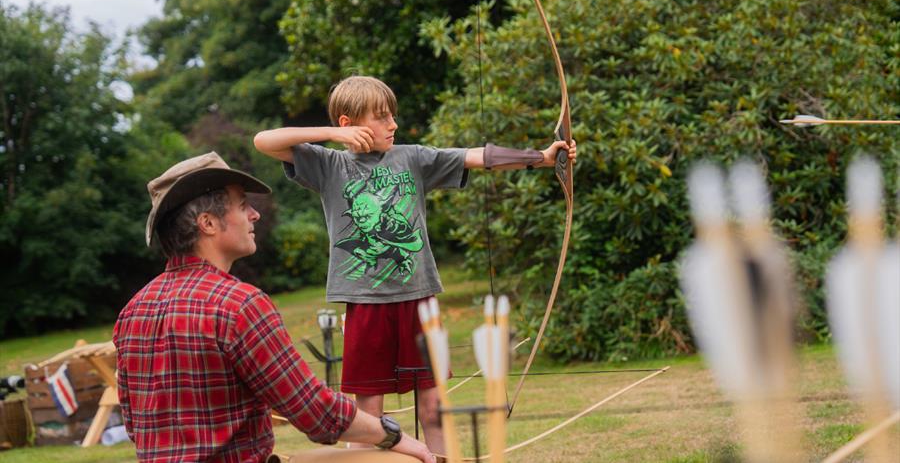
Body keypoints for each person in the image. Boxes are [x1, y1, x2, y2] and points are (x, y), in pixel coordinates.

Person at [253, 76, 577, 453]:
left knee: (434, 404)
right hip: (365, 302)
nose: (393, 124)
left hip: (420, 298)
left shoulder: (413, 157)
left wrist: (540, 158)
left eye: (393, 116)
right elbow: (264, 141)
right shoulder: (329, 165)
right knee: (368, 413)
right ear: (348, 123)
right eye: (381, 117)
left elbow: (475, 156)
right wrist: (332, 135)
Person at [113, 151, 433, 463]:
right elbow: (316, 412)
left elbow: (134, 424)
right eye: (242, 205)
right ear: (208, 223)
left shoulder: (131, 312)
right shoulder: (239, 305)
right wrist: (394, 436)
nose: (255, 214)